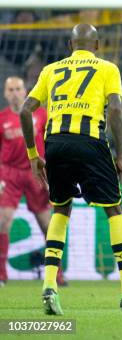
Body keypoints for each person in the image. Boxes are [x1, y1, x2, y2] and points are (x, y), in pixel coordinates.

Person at [19, 24, 122, 315]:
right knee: (114, 210)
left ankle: (49, 286)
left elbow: (25, 110)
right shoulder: (107, 68)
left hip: (55, 144)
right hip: (90, 141)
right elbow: (115, 108)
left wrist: (33, 155)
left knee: (60, 210)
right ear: (97, 45)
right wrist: (120, 156)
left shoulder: (51, 70)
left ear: (70, 44)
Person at [0, 76, 65, 287]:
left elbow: (53, 140)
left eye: (18, 88)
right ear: (5, 93)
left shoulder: (42, 114)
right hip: (9, 174)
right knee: (3, 221)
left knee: (48, 224)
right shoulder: (2, 119)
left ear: (26, 90)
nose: (15, 93)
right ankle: (1, 275)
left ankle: (57, 275)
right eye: (10, 89)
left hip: (36, 172)